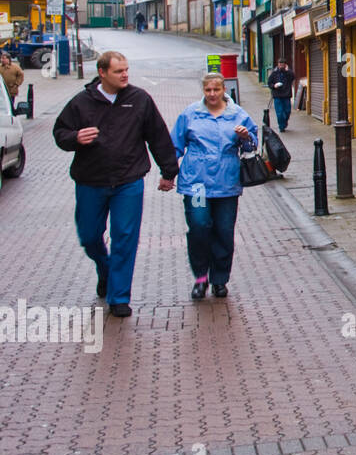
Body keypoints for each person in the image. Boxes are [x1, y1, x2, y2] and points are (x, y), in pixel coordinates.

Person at [53, 51, 178, 318]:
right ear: (102, 73)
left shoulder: (139, 99)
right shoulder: (81, 103)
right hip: (91, 182)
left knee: (125, 238)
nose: (125, 75)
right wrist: (75, 137)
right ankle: (105, 269)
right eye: (118, 71)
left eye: (126, 70)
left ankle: (119, 297)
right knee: (89, 236)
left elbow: (157, 136)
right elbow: (60, 133)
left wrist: (169, 171)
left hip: (128, 181)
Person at [171, 72, 258, 300]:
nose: (212, 94)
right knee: (199, 226)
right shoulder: (191, 114)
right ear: (203, 90)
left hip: (226, 183)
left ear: (223, 90)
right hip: (197, 184)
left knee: (224, 231)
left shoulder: (237, 114)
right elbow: (176, 144)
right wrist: (168, 173)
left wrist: (246, 136)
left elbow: (253, 144)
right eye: (208, 90)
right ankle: (201, 278)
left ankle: (220, 279)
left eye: (216, 90)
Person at [267, 58, 295, 131]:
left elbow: (293, 77)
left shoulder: (288, 73)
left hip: (286, 95)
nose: (281, 66)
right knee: (279, 113)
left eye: (282, 64)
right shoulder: (274, 73)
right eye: (280, 64)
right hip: (277, 95)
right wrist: (274, 86)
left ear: (285, 65)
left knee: (287, 111)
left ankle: (284, 122)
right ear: (278, 64)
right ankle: (281, 127)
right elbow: (269, 83)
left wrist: (288, 70)